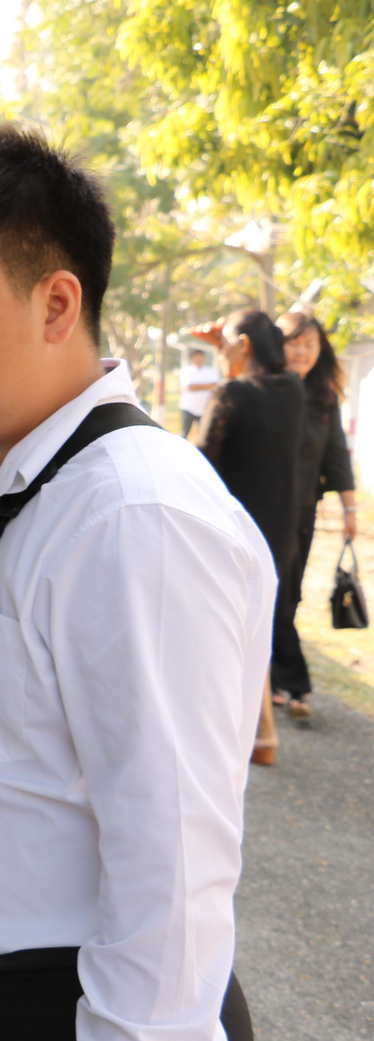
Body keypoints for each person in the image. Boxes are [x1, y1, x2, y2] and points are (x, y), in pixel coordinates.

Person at [0, 125, 266, 1041]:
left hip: (76, 1035)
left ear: (57, 302)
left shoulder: (134, 513)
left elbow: (169, 862)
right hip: (0, 1018)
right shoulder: (20, 475)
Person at [193, 308, 305, 765]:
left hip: (230, 528)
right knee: (255, 624)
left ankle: (248, 734)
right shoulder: (293, 390)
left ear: (245, 346)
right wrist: (232, 343)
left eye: (230, 343)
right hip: (278, 526)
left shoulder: (232, 393)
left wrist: (227, 362)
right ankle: (263, 735)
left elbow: (202, 462)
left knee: (224, 630)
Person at [271, 311, 358, 720]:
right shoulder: (263, 389)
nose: (302, 352)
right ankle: (293, 683)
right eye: (294, 343)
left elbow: (336, 454)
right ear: (278, 344)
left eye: (309, 344)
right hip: (259, 509)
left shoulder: (324, 397)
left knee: (288, 596)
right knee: (270, 594)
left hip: (302, 513)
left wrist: (350, 507)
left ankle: (277, 681)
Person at [178, 346, 221, 437]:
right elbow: (190, 387)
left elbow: (216, 386)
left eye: (201, 357)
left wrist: (199, 386)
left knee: (204, 434)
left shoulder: (210, 371)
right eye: (197, 357)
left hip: (204, 408)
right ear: (193, 358)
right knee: (185, 433)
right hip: (189, 407)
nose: (200, 359)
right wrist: (208, 386)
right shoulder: (187, 371)